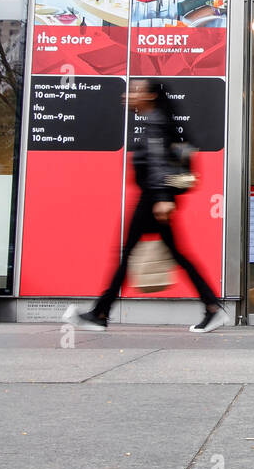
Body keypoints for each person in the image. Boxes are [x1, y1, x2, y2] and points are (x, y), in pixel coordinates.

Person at [63, 79, 229, 333]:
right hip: (153, 198)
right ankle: (211, 307)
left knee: (130, 254)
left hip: (153, 199)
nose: (128, 95)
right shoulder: (158, 120)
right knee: (170, 255)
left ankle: (101, 312)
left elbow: (158, 163)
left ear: (150, 96)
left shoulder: (157, 123)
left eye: (135, 91)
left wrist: (163, 197)